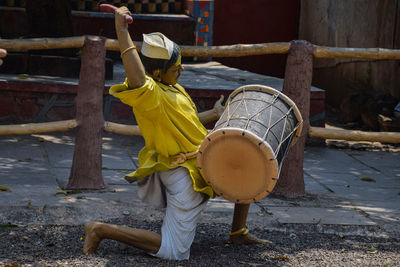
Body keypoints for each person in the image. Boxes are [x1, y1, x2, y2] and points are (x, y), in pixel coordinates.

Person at [83, 6, 269, 260]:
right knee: (174, 252)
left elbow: (183, 121)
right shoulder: (150, 94)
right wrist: (122, 31)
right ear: (157, 73)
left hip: (201, 161)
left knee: (246, 158)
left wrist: (214, 114)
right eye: (175, 68)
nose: (181, 71)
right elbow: (137, 76)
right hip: (184, 174)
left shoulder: (174, 88)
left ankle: (238, 230)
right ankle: (100, 229)